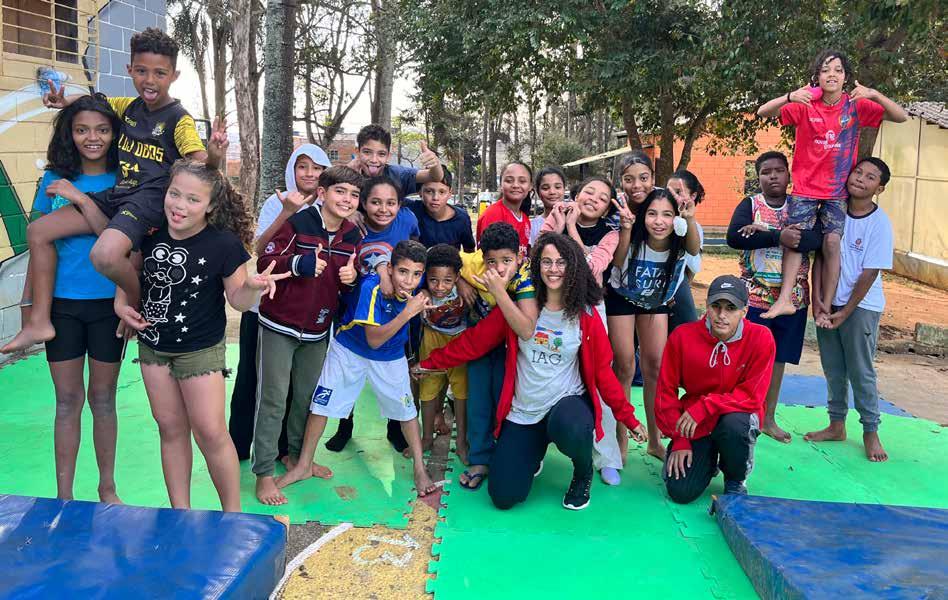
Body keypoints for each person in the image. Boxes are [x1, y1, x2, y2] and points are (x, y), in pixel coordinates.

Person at [4, 27, 226, 354]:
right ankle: (39, 321)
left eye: (160, 73)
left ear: (174, 76)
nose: (150, 80)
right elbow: (98, 104)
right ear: (129, 70)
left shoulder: (179, 120)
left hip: (148, 201)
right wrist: (64, 102)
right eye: (141, 71)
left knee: (104, 255)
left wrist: (216, 154)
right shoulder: (129, 107)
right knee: (38, 231)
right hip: (119, 194)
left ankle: (135, 301)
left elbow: (202, 164)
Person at [418, 233, 647, 510]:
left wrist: (629, 418)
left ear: (573, 266)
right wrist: (429, 363)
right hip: (526, 411)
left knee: (572, 425)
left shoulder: (584, 316)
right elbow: (473, 342)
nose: (553, 269)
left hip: (566, 404)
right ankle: (534, 449)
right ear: (536, 266)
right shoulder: (520, 309)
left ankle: (582, 471)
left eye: (561, 262)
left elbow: (603, 374)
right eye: (547, 262)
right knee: (503, 496)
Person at [114, 160, 286, 512]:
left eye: (193, 199)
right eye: (174, 194)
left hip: (200, 350)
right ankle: (181, 513)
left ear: (210, 205)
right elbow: (130, 270)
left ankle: (232, 515)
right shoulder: (149, 232)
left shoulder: (224, 244)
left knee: (210, 432)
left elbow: (238, 300)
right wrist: (121, 303)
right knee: (170, 429)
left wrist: (252, 287)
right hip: (153, 347)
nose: (180, 205)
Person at [277, 240, 438, 497]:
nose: (409, 281)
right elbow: (373, 339)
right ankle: (304, 465)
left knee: (407, 411)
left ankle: (419, 468)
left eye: (416, 274)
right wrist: (408, 313)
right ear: (390, 269)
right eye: (403, 272)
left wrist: (424, 297)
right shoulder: (371, 287)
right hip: (349, 349)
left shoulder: (417, 291)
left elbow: (435, 286)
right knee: (322, 404)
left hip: (391, 357)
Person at [756, 49, 907, 324]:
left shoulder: (856, 106)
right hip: (805, 188)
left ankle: (825, 304)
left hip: (837, 191)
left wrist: (873, 94)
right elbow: (762, 112)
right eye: (825, 70)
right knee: (795, 239)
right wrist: (790, 96)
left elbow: (901, 116)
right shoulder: (805, 103)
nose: (832, 75)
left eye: (838, 70)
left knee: (832, 242)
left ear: (846, 76)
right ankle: (785, 299)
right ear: (817, 76)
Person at [27, 94, 123, 503]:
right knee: (67, 401)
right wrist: (31, 308)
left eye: (101, 130)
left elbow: (116, 237)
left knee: (103, 399)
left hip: (107, 305)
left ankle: (107, 488)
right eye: (82, 129)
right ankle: (63, 495)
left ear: (115, 134)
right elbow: (38, 244)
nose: (92, 138)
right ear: (70, 133)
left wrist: (81, 200)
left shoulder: (123, 180)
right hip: (62, 305)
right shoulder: (53, 179)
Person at [252, 166, 364, 505]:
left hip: (318, 329)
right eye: (340, 191)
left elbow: (350, 287)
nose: (347, 200)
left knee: (306, 398)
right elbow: (265, 262)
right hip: (278, 324)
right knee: (273, 400)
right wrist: (298, 264)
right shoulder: (298, 222)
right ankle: (264, 473)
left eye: (354, 195)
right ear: (323, 193)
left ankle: (297, 458)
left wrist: (352, 280)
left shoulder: (353, 236)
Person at [228, 144, 332, 460]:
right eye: (303, 166)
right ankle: (238, 446)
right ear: (292, 170)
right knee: (250, 378)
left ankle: (284, 450)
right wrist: (287, 211)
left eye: (317, 168)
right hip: (265, 307)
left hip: (302, 312)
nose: (310, 174)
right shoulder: (277, 202)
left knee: (292, 386)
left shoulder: (330, 207)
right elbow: (260, 249)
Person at [726, 151, 824, 443]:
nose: (772, 176)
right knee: (745, 357)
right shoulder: (750, 205)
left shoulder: (801, 206)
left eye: (778, 170)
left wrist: (767, 232)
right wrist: (777, 236)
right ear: (758, 177)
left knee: (778, 359)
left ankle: (768, 418)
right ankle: (739, 415)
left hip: (792, 299)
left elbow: (814, 239)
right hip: (754, 296)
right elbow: (735, 237)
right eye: (765, 172)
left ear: (788, 174)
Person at [656, 275, 776, 504]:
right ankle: (708, 460)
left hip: (732, 417)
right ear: (707, 306)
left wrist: (706, 406)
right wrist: (679, 439)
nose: (721, 315)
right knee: (680, 492)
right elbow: (665, 393)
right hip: (695, 423)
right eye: (716, 306)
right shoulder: (682, 336)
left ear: (744, 311)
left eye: (731, 308)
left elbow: (752, 396)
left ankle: (735, 478)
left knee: (736, 424)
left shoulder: (761, 338)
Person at [805, 158, 894, 462]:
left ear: (879, 188)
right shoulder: (833, 213)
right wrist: (819, 299)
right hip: (829, 303)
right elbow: (820, 258)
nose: (860, 179)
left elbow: (869, 272)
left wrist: (846, 311)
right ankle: (836, 424)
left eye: (870, 177)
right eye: (858, 172)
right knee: (833, 367)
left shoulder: (879, 223)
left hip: (861, 305)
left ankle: (870, 430)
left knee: (860, 370)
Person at [538, 176, 625, 485]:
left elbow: (591, 268)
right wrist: (561, 222)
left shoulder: (610, 235)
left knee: (599, 377)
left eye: (602, 198)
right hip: (551, 305)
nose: (593, 199)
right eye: (589, 192)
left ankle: (607, 458)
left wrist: (571, 228)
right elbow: (539, 251)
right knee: (541, 372)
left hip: (589, 308)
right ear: (577, 194)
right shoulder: (557, 215)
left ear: (606, 209)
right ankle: (534, 448)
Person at [324, 177, 419, 454]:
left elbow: (415, 248)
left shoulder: (407, 220)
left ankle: (394, 428)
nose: (383, 209)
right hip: (354, 305)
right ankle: (344, 426)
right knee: (348, 373)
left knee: (393, 374)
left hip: (393, 308)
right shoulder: (353, 224)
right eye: (376, 202)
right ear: (364, 204)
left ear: (400, 205)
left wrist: (399, 279)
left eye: (391, 203)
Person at [607, 188, 700, 461]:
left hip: (655, 302)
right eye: (652, 214)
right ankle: (621, 437)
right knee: (624, 365)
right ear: (643, 216)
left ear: (675, 218)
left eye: (667, 214)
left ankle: (655, 440)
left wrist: (689, 218)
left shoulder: (681, 238)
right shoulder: (634, 235)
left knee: (655, 367)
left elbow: (694, 249)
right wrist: (627, 230)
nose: (659, 221)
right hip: (622, 298)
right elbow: (618, 262)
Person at [450, 222, 538, 490]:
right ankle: (479, 458)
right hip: (479, 344)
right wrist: (460, 281)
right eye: (492, 261)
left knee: (506, 401)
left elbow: (527, 329)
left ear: (519, 256)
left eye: (506, 260)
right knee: (478, 401)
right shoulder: (472, 264)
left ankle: (505, 452)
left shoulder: (524, 278)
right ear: (482, 257)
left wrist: (499, 291)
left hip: (511, 351)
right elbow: (441, 256)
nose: (499, 268)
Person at [417, 244, 469, 459]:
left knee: (461, 392)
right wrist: (422, 290)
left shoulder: (465, 289)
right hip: (431, 338)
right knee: (427, 389)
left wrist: (464, 284)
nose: (440, 287)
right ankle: (426, 437)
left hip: (459, 340)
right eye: (433, 280)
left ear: (457, 277)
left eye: (447, 280)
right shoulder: (422, 292)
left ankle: (461, 441)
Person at [347, 124, 443, 197]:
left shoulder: (397, 174)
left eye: (381, 154)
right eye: (367, 152)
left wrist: (435, 163)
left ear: (388, 156)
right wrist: (347, 174)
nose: (374, 160)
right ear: (357, 152)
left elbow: (435, 177)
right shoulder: (348, 175)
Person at [665, 169, 705, 332]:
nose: (672, 196)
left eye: (678, 192)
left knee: (686, 331)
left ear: (693, 196)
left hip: (676, 286)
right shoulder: (657, 220)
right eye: (669, 191)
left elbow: (692, 264)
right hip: (651, 283)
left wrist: (675, 291)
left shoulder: (694, 227)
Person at [404, 168, 475, 252]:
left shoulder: (462, 219)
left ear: (450, 193)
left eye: (442, 192)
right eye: (429, 191)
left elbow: (469, 252)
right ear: (419, 192)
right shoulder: (411, 209)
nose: (435, 198)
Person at [476, 162, 533, 260]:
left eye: (522, 181)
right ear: (501, 185)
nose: (515, 185)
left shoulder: (525, 219)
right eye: (509, 181)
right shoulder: (493, 214)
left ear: (530, 186)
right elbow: (489, 258)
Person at [530, 167, 567, 245]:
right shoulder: (532, 226)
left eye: (557, 187)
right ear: (538, 193)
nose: (552, 192)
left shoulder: (574, 219)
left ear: (564, 189)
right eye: (545, 188)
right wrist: (558, 228)